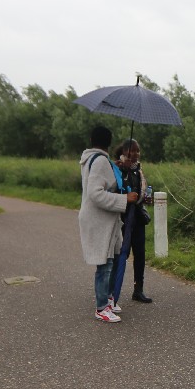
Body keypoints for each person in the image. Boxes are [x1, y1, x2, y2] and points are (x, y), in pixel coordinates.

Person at [79, 126, 137, 324]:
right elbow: (95, 193)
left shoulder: (97, 159)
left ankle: (109, 298)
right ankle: (102, 307)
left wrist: (118, 167)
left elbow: (106, 180)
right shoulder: (100, 161)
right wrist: (124, 199)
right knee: (104, 263)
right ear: (109, 142)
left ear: (91, 140)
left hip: (107, 220)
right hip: (99, 219)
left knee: (116, 256)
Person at [110, 139, 153, 307]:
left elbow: (140, 191)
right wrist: (123, 170)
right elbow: (114, 190)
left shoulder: (138, 170)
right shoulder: (117, 169)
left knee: (140, 254)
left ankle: (138, 290)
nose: (135, 154)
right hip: (123, 218)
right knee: (121, 254)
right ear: (124, 151)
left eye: (137, 151)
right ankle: (112, 292)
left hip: (138, 218)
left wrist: (145, 198)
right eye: (132, 151)